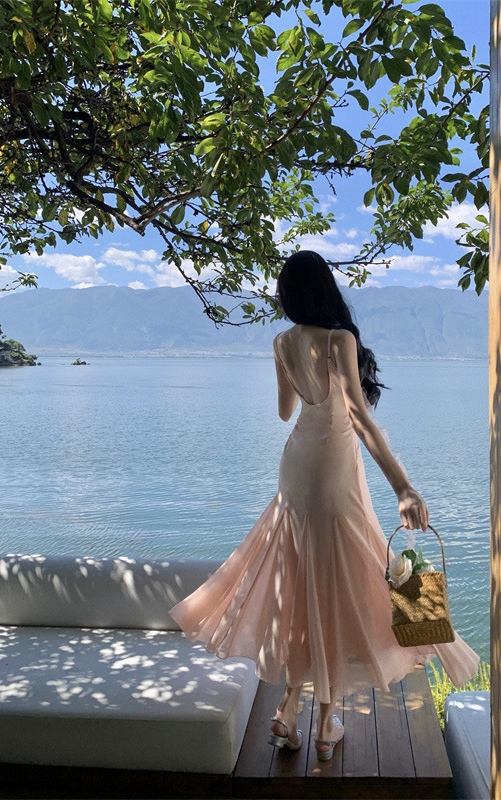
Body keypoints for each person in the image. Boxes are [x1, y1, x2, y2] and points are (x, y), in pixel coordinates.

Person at [168, 250, 479, 762]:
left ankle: (288, 708)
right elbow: (359, 419)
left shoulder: (281, 342)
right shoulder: (340, 340)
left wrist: (302, 378)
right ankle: (325, 723)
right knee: (344, 580)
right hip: (335, 470)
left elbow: (285, 410)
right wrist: (403, 487)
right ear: (326, 289)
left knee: (300, 583)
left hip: (296, 468)